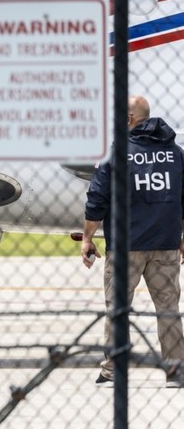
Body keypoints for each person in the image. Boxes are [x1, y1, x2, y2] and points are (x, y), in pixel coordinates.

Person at [81, 95, 184, 389]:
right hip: (165, 244)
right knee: (168, 308)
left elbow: (97, 199)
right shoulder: (175, 153)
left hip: (126, 246)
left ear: (128, 119)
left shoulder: (117, 153)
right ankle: (176, 371)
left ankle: (114, 371)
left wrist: (87, 238)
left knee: (118, 309)